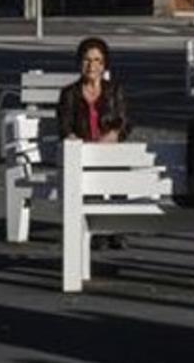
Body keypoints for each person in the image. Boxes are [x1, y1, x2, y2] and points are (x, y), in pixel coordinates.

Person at [56, 37, 130, 250]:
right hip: (82, 153)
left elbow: (125, 121)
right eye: (87, 60)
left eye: (97, 60)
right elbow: (64, 126)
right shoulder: (69, 94)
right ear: (80, 63)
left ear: (104, 64)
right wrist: (71, 137)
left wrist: (115, 134)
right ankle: (96, 228)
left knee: (117, 173)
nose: (92, 66)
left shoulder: (114, 90)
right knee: (89, 175)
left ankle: (116, 228)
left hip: (110, 151)